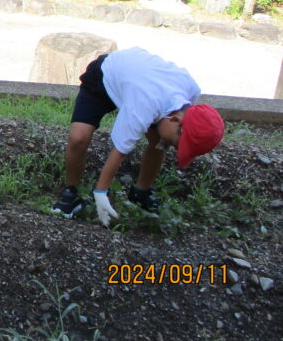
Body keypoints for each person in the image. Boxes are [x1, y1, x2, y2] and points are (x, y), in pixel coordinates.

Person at [51, 46, 225, 227]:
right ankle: (71, 192)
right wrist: (100, 193)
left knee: (159, 141)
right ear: (175, 119)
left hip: (139, 84)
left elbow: (179, 124)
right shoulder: (143, 106)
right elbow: (119, 150)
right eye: (174, 143)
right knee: (78, 137)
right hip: (104, 76)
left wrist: (167, 138)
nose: (172, 146)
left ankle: (140, 192)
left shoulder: (190, 92)